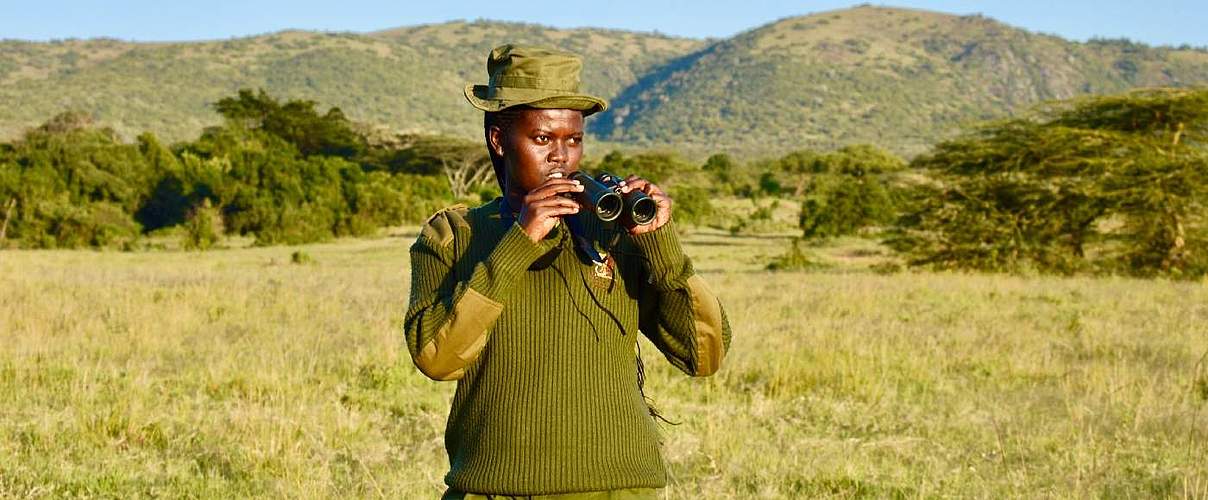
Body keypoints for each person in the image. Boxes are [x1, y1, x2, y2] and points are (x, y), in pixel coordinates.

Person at [404, 44, 732, 499]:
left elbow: (703, 355)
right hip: (497, 489)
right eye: (542, 139)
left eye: (573, 140)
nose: (561, 156)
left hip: (621, 488)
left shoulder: (613, 226)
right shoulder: (454, 235)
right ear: (499, 140)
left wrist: (659, 243)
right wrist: (519, 241)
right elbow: (437, 359)